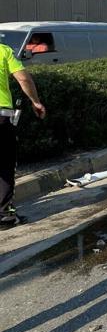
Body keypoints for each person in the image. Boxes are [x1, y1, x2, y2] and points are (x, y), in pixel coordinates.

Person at [1, 41, 45, 229]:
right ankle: (4, 216)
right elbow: (24, 79)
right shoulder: (3, 50)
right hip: (0, 119)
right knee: (4, 165)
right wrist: (35, 102)